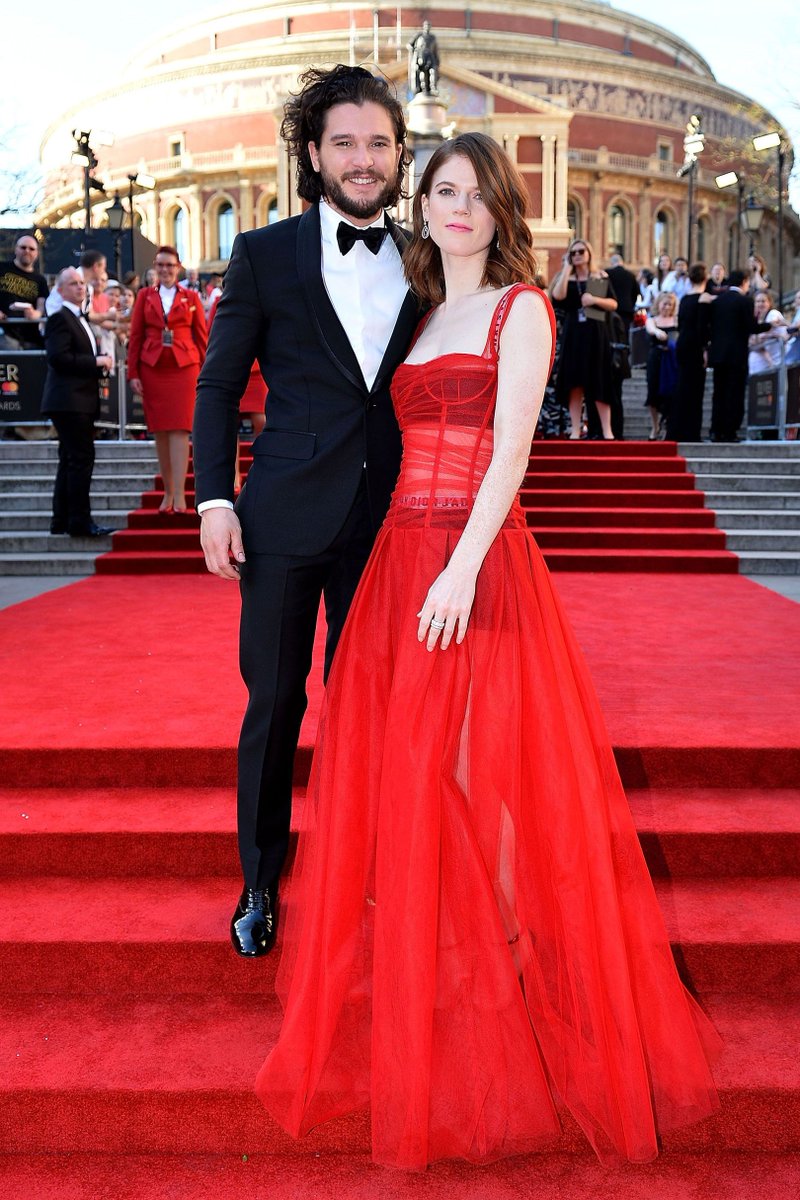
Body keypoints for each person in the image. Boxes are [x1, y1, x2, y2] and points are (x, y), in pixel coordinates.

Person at [255, 131, 719, 1171]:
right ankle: (464, 989)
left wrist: (461, 570)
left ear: (502, 210)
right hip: (396, 573)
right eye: (443, 190)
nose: (457, 207)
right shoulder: (419, 321)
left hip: (475, 568)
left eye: (476, 193)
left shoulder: (520, 310)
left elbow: (510, 447)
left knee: (482, 781)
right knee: (421, 787)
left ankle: (509, 995)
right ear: (421, 205)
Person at [193, 65, 419, 958]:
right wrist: (214, 497)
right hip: (282, 517)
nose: (363, 161)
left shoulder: (430, 254)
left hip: (392, 523)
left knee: (373, 706)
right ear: (313, 154)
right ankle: (260, 881)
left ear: (400, 154)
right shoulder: (266, 252)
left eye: (378, 144)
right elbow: (217, 386)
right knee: (276, 703)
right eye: (345, 144)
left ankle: (372, 867)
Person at [127, 245, 207, 512]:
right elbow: (136, 337)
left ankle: (182, 494)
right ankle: (168, 493)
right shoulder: (144, 296)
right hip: (153, 368)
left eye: (170, 265)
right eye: (161, 265)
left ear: (178, 267)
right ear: (154, 267)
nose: (165, 270)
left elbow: (202, 337)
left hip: (185, 368)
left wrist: (209, 372)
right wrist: (133, 373)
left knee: (181, 430)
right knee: (160, 430)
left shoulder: (191, 297)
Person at [40, 268, 113, 537]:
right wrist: (96, 361)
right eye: (73, 284)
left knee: (69, 459)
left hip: (75, 399)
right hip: (70, 401)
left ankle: (61, 520)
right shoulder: (60, 318)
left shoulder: (78, 318)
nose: (80, 287)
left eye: (82, 283)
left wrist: (99, 362)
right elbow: (58, 358)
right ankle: (80, 522)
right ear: (60, 290)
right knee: (81, 459)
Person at [549, 237, 618, 439]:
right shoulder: (567, 278)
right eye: (573, 252)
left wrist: (594, 299)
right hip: (574, 334)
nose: (577, 255)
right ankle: (576, 430)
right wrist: (566, 269)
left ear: (589, 254)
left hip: (596, 332)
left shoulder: (598, 276)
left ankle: (607, 431)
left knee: (600, 380)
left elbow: (614, 304)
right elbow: (558, 296)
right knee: (574, 383)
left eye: (581, 252)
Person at [207, 293, 268, 490]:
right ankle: (233, 475)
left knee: (263, 420)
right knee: (229, 423)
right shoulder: (220, 302)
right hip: (232, 367)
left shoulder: (266, 296)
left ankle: (263, 468)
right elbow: (211, 332)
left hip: (259, 368)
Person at [708, 268, 756, 442]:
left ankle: (715, 430)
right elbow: (751, 327)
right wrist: (770, 326)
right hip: (737, 355)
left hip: (719, 355)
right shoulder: (745, 301)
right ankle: (730, 431)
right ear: (744, 281)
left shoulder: (718, 301)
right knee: (734, 394)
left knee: (718, 393)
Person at [669, 262, 711, 442]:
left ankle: (677, 430)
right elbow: (702, 328)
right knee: (695, 391)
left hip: (682, 345)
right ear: (705, 278)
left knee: (682, 388)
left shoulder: (684, 299)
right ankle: (691, 433)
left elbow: (680, 324)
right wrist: (705, 349)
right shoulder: (704, 299)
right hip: (695, 347)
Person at [0, 233, 48, 348]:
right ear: (16, 250)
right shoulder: (2, 268)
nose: (27, 251)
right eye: (23, 247)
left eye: (31, 249)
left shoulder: (40, 280)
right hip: (5, 333)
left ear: (36, 254)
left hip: (31, 337)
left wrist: (35, 314)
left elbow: (41, 308)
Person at [644, 291, 679, 439]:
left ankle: (667, 425)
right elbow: (650, 329)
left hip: (672, 360)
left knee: (671, 394)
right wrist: (658, 332)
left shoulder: (676, 321)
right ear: (658, 304)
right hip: (656, 359)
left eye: (670, 304)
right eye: (665, 303)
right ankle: (655, 425)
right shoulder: (652, 320)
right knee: (653, 392)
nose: (667, 307)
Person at [747, 291, 789, 374]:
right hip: (758, 367)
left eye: (763, 301)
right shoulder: (756, 319)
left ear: (769, 303)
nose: (760, 304)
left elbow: (757, 340)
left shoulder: (773, 314)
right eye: (757, 301)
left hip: (773, 364)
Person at [606, 252, 639, 335]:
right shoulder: (631, 275)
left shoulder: (607, 273)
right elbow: (636, 293)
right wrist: (631, 304)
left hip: (610, 310)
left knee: (611, 335)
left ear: (612, 263)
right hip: (626, 310)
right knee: (624, 335)